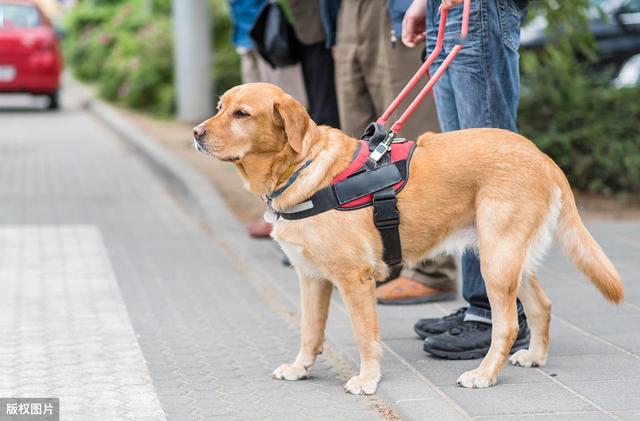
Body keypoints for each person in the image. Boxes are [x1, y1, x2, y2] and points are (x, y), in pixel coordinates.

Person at [401, 0, 531, 359]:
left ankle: (494, 313)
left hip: (481, 8)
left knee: (490, 164)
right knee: (460, 166)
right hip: (446, 9)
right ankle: (479, 303)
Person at [329, 0, 459, 305]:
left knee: (412, 145)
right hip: (346, 13)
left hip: (394, 9)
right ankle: (381, 261)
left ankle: (434, 271)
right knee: (358, 150)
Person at [228, 0, 308, 238]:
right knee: (251, 130)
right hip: (246, 32)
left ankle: (299, 215)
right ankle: (275, 211)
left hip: (274, 28)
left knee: (290, 126)